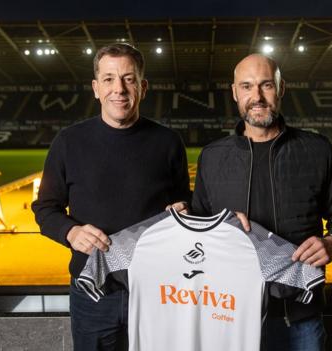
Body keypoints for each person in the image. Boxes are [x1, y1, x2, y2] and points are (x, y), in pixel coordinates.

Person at [191, 54, 332, 351]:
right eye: (246, 86)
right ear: (234, 93)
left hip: (299, 318)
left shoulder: (316, 149)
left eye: (266, 85)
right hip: (226, 317)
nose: (256, 96)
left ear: (281, 89)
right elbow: (197, 233)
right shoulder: (212, 156)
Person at [32, 43, 190, 351]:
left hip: (156, 290)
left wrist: (186, 208)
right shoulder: (68, 142)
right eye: (108, 79)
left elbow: (186, 201)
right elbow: (45, 209)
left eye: (129, 79)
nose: (119, 89)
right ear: (95, 87)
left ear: (143, 87)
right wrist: (70, 231)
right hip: (92, 293)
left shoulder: (168, 143)